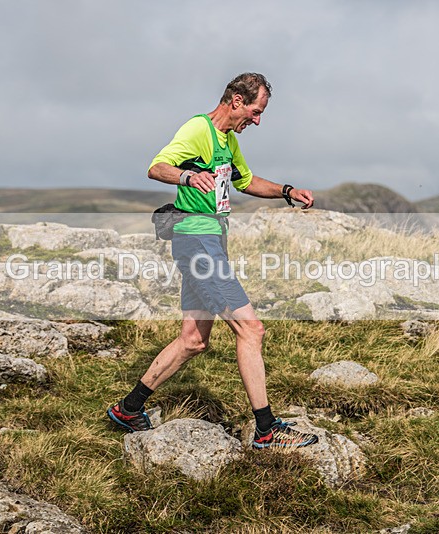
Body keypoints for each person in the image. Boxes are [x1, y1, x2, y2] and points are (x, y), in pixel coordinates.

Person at [107, 73, 318, 449]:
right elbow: (157, 166)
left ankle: (128, 409)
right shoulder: (198, 129)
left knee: (192, 340)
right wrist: (188, 177)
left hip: (207, 243)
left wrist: (286, 191)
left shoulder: (228, 140)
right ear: (236, 100)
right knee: (251, 330)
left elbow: (246, 181)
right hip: (197, 242)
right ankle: (267, 429)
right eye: (255, 111)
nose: (257, 120)